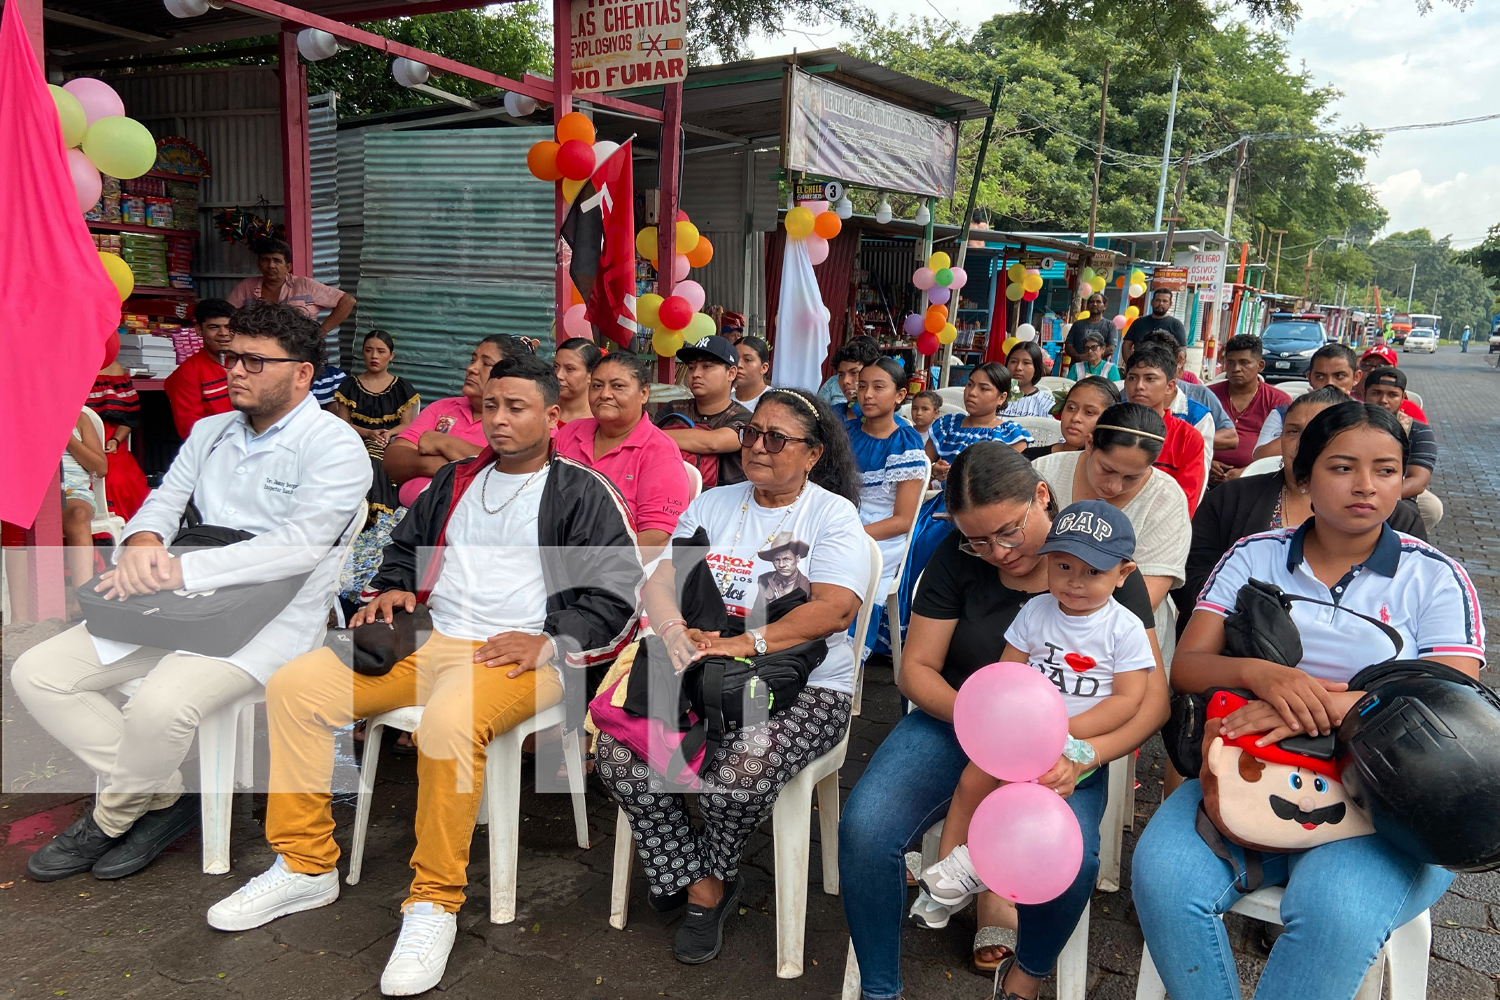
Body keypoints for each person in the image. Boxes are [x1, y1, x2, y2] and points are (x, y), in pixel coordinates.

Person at [206, 355, 642, 996]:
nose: (497, 419)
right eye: (491, 406)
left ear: (552, 417)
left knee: (449, 723)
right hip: (427, 635)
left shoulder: (582, 492)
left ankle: (434, 901)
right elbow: (404, 550)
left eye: (516, 408)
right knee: (296, 687)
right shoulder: (458, 479)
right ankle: (304, 864)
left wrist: (551, 640)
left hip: (518, 653)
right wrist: (390, 591)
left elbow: (618, 592)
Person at [1132, 401, 1483, 1000]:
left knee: (1333, 910)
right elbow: (1188, 668)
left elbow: (1446, 700)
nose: (1366, 486)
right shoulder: (1254, 555)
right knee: (1163, 878)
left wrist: (1311, 706)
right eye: (1343, 467)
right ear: (1305, 472)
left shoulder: (1434, 575)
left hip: (1390, 798)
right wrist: (1264, 676)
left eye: (1387, 470)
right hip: (1254, 766)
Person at [13, 301, 370, 883]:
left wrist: (178, 572)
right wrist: (145, 541)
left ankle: (106, 820)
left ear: (302, 373)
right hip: (173, 606)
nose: (234, 370)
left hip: (266, 620)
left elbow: (298, 549)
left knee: (160, 705)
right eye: (231, 356)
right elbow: (164, 499)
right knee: (38, 673)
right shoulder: (210, 431)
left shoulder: (334, 445)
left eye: (255, 361)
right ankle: (165, 797)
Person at [840, 443, 1169, 992]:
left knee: (1075, 862)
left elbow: (1151, 701)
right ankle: (880, 984)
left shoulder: (1101, 559)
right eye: (978, 539)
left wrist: (1079, 753)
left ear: (1042, 496)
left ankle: (1030, 971)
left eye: (1010, 532)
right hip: (960, 722)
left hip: (1071, 745)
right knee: (866, 829)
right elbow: (916, 670)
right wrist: (988, 729)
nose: (996, 552)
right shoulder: (957, 557)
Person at [602, 387, 869, 965]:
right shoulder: (715, 504)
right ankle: (694, 872)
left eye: (778, 438)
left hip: (804, 681)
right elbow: (664, 580)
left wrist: (745, 642)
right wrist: (675, 633)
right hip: (702, 664)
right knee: (620, 753)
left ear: (813, 454)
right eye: (752, 434)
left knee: (740, 770)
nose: (758, 447)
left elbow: (835, 608)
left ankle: (706, 882)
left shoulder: (830, 514)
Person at [916, 501, 1154, 929]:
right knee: (972, 780)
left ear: (1123, 574)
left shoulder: (1125, 628)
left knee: (1019, 788)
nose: (1075, 582)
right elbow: (1008, 672)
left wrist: (1061, 733)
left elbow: (1128, 700)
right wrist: (1005, 721)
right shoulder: (1036, 611)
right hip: (1020, 734)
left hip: (1073, 741)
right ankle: (943, 876)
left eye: (1093, 572)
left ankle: (973, 866)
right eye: (1063, 567)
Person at [1175, 386, 1427, 620]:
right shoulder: (1229, 499)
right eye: (1293, 431)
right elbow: (1192, 581)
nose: (1301, 444)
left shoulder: (1399, 521)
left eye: (1316, 434)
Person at [1031, 403, 1191, 619]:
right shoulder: (1044, 472)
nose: (1114, 487)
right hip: (1039, 621)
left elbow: (1145, 599)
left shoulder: (1166, 498)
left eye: (1132, 477)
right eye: (1106, 469)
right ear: (1089, 443)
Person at [554, 351, 692, 559]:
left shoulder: (659, 451)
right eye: (597, 386)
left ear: (644, 393)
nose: (605, 394)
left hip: (616, 573)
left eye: (617, 386)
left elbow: (657, 537)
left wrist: (592, 568)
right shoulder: (569, 433)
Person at [383, 335, 526, 511]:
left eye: (486, 364)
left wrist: (444, 443)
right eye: (472, 360)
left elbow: (512, 469)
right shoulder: (442, 408)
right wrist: (439, 465)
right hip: (407, 519)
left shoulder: (520, 420)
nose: (471, 368)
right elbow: (393, 459)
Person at [847, 357, 928, 619]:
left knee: (848, 567)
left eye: (878, 387)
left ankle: (847, 647)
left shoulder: (906, 443)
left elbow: (903, 521)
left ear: (900, 395)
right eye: (862, 386)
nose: (867, 395)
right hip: (842, 516)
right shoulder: (845, 433)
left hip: (882, 534)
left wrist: (851, 533)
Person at [333, 330, 420, 517]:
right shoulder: (349, 385)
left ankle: (377, 512)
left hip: (390, 441)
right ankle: (362, 512)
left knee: (378, 455)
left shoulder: (401, 388)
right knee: (369, 453)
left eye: (381, 351)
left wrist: (388, 434)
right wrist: (368, 433)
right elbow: (342, 423)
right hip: (354, 440)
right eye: (368, 350)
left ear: (391, 356)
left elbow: (407, 424)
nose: (374, 356)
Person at [655, 335, 752, 489]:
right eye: (692, 367)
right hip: (669, 494)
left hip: (724, 505)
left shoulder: (744, 418)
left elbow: (713, 442)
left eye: (707, 366)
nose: (696, 374)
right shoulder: (673, 409)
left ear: (731, 373)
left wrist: (653, 435)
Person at [1121, 344, 1208, 515]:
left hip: (1163, 525)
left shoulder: (1188, 437)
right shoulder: (1110, 425)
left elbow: (1185, 503)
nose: (1139, 386)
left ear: (1170, 386)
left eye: (1150, 379)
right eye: (1132, 378)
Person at [1362, 365, 1443, 531]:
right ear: (1364, 394)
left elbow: (1418, 481)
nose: (1383, 400)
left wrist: (1377, 496)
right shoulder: (1345, 425)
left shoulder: (1418, 430)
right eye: (1376, 393)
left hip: (1397, 492)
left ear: (1403, 397)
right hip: (1351, 488)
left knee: (1408, 515)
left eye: (1392, 395)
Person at [1250, 342, 1358, 461]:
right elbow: (1260, 458)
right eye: (1320, 377)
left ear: (1356, 378)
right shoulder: (1284, 414)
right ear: (1309, 378)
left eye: (1339, 376)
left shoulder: (1366, 416)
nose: (1329, 383)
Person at [927, 363, 1033, 481]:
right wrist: (932, 470)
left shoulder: (1009, 435)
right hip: (940, 497)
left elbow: (1010, 482)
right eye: (970, 384)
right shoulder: (947, 425)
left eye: (983, 388)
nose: (972, 392)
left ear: (1001, 398)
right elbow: (921, 465)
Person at [1140, 331, 1236, 460]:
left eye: (1161, 361)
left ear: (1178, 361)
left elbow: (1231, 437)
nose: (1140, 386)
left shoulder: (1200, 397)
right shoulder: (1127, 395)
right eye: (1133, 377)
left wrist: (1191, 444)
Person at [227, 237, 355, 335]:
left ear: (288, 267)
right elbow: (227, 315)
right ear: (259, 265)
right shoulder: (246, 287)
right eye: (266, 260)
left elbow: (348, 301)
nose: (271, 265)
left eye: (277, 261)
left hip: (299, 350)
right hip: (259, 353)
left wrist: (321, 332)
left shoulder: (304, 285)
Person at [1208, 334, 1291, 479]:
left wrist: (1248, 471)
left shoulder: (1278, 400)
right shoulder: (1208, 395)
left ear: (1260, 366)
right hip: (1207, 475)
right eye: (1231, 363)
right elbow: (1191, 436)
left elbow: (1286, 447)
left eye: (1244, 362)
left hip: (1259, 479)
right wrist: (1207, 462)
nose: (1236, 369)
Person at [59, 410, 109, 617]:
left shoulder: (79, 418)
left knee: (78, 514)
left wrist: (66, 438)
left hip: (72, 493)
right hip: (32, 493)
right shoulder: (19, 415)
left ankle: (82, 597)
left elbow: (100, 468)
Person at [164, 297, 235, 440]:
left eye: (229, 327)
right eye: (214, 327)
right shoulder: (188, 372)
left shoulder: (248, 362)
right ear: (199, 330)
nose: (223, 333)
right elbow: (190, 428)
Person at [88, 358, 150, 520]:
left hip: (112, 443)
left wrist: (115, 440)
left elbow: (128, 419)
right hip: (78, 443)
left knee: (120, 480)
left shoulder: (115, 369)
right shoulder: (62, 368)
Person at [1022, 377, 1120, 461]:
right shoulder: (1031, 458)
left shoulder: (1109, 470)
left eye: (1089, 412)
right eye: (1071, 408)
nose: (1075, 418)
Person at [1354, 350, 1428, 423]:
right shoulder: (1345, 400)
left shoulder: (1410, 410)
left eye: (1382, 366)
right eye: (1367, 365)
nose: (1372, 370)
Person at [1122, 288, 1189, 363]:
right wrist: (1130, 364)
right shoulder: (1138, 323)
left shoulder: (1176, 325)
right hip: (1140, 366)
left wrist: (1175, 368)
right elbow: (1126, 345)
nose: (1161, 303)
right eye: (1158, 300)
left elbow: (1182, 349)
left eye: (1165, 301)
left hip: (1165, 367)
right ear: (1152, 302)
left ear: (1170, 304)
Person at [829, 336, 884, 420]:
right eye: (841, 375)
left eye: (854, 373)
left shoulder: (889, 424)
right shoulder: (831, 416)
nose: (845, 381)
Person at [553, 336, 602, 425]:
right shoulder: (544, 409)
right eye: (556, 366)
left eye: (570, 369)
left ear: (591, 375)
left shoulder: (600, 421)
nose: (558, 375)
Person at [1064, 292, 1115, 364]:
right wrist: (1078, 357)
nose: (1094, 304)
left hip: (1099, 370)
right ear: (1087, 306)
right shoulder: (1077, 324)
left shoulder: (1110, 325)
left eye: (1098, 302)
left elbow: (1111, 349)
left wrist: (1092, 357)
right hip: (1077, 368)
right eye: (1091, 302)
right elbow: (1068, 346)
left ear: (1104, 306)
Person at [734, 336, 773, 408]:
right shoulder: (722, 400)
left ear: (764, 368)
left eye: (747, 360)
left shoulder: (775, 401)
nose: (739, 365)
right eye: (735, 359)